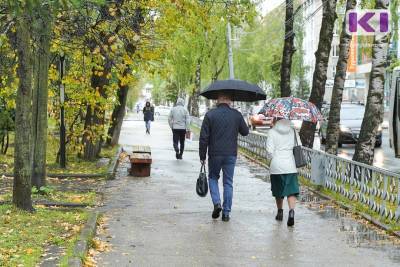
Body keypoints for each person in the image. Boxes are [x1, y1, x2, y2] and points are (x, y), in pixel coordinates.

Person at [199, 92, 249, 222]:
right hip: (230, 154)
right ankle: (226, 213)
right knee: (228, 183)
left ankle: (217, 203)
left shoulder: (210, 115)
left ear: (218, 100)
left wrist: (202, 155)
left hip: (214, 154)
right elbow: (245, 132)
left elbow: (204, 138)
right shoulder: (236, 115)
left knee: (213, 178)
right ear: (230, 100)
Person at [266, 118, 300, 227]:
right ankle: (291, 212)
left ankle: (280, 212)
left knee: (278, 189)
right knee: (291, 191)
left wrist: (271, 161)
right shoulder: (293, 130)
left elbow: (269, 150)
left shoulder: (272, 132)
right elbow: (299, 144)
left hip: (276, 165)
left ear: (276, 119)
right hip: (290, 165)